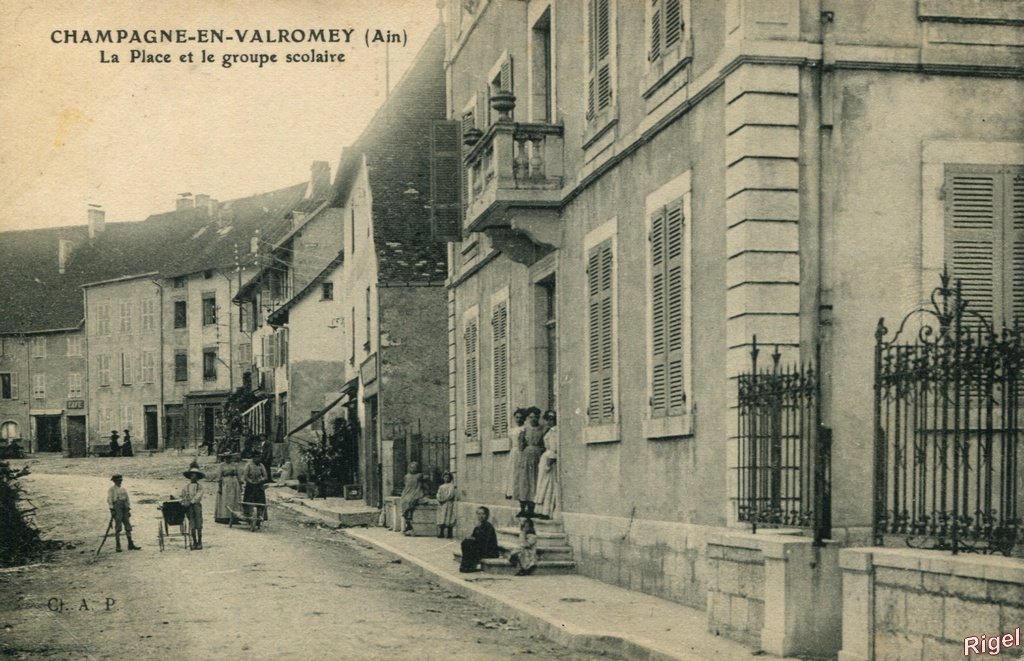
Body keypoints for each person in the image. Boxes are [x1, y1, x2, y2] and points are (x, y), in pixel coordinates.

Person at [513, 407, 545, 518]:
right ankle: (523, 508)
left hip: (538, 457)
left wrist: (540, 452)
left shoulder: (542, 429)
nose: (534, 419)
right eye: (531, 417)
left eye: (536, 417)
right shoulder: (525, 430)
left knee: (534, 481)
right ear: (528, 418)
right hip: (526, 457)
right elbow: (521, 445)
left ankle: (532, 508)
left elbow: (543, 444)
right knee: (524, 481)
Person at [534, 410, 559, 520]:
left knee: (548, 485)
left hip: (549, 460)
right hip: (545, 459)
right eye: (547, 419)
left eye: (551, 419)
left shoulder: (555, 431)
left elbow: (554, 449)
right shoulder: (549, 431)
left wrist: (549, 463)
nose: (549, 421)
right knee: (542, 484)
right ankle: (540, 510)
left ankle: (546, 511)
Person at [459, 506, 499, 573]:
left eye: (483, 514)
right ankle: (465, 565)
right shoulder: (478, 526)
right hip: (480, 548)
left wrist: (474, 539)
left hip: (489, 551)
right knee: (466, 542)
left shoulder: (488, 526)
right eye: (479, 514)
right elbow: (473, 537)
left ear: (487, 515)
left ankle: (469, 566)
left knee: (469, 544)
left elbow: (485, 541)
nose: (481, 516)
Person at [107, 474, 140, 552]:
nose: (119, 482)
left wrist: (128, 509)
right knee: (118, 526)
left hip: (124, 507)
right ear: (114, 481)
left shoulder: (123, 489)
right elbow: (109, 500)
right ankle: (118, 546)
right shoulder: (111, 489)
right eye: (118, 480)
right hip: (117, 507)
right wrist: (112, 510)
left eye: (120, 480)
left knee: (128, 525)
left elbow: (127, 499)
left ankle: (130, 544)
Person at [504, 408, 527, 500]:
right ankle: (512, 491)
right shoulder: (512, 430)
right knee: (513, 472)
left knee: (521, 472)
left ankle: (521, 492)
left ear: (524, 418)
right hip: (514, 451)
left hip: (522, 451)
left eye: (521, 417)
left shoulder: (525, 429)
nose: (518, 419)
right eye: (517, 417)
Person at [399, 461, 426, 535]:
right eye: (411, 467)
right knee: (404, 501)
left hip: (416, 491)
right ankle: (408, 523)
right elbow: (405, 485)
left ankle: (409, 524)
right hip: (407, 492)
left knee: (410, 501)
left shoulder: (419, 475)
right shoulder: (407, 476)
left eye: (414, 467)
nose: (412, 469)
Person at [181, 466, 205, 549]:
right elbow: (183, 496)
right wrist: (184, 501)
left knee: (199, 523)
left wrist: (191, 502)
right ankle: (194, 541)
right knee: (192, 523)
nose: (193, 477)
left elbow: (198, 496)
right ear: (189, 477)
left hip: (196, 506)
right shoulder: (186, 487)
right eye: (192, 475)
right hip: (189, 507)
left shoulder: (200, 487)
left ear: (198, 477)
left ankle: (200, 541)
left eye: (195, 475)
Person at [214, 453, 242, 524]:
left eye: (229, 457)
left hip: (234, 483)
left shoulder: (235, 465)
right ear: (224, 458)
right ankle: (225, 517)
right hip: (225, 483)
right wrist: (220, 487)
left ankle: (235, 517)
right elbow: (219, 477)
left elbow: (239, 475)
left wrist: (240, 485)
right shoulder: (221, 465)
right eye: (226, 458)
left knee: (235, 499)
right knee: (226, 499)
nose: (228, 459)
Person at [241, 453, 268, 526]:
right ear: (253, 458)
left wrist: (260, 480)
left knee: (260, 501)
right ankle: (248, 517)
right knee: (249, 500)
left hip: (259, 486)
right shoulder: (248, 465)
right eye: (257, 458)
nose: (259, 459)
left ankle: (259, 518)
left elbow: (265, 476)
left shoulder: (261, 465)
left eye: (259, 458)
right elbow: (245, 476)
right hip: (250, 486)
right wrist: (251, 481)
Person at [435, 471, 457, 539]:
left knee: (448, 517)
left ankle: (449, 533)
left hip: (448, 503)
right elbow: (438, 493)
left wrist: (444, 500)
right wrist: (439, 499)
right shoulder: (441, 486)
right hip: (442, 504)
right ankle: (441, 532)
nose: (446, 479)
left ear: (450, 478)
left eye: (448, 477)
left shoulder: (451, 486)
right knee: (442, 517)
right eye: (445, 477)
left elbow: (450, 495)